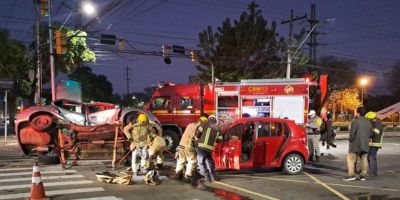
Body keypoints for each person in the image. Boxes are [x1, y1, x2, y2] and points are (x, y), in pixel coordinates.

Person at [174, 116, 207, 182]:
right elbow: (196, 138)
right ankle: (188, 175)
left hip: (181, 145)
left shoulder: (190, 124)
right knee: (192, 160)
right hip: (188, 146)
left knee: (181, 160)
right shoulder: (200, 128)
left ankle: (178, 173)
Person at [343, 107, 372, 181]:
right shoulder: (368, 122)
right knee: (364, 159)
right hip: (365, 144)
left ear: (358, 113)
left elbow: (352, 134)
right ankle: (363, 175)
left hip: (355, 144)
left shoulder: (355, 121)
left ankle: (351, 175)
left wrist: (350, 139)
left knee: (351, 159)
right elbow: (371, 134)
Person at [195, 115, 223, 182]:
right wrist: (213, 142)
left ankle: (207, 176)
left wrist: (197, 140)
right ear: (215, 120)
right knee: (210, 161)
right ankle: (213, 175)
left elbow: (198, 134)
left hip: (201, 146)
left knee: (201, 162)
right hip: (210, 148)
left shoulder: (204, 123)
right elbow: (220, 139)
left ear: (208, 119)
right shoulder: (218, 128)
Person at [365, 111, 384, 177]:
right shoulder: (374, 122)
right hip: (372, 143)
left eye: (369, 119)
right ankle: (372, 171)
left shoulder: (378, 123)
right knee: (369, 157)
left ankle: (373, 172)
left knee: (371, 157)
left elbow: (377, 132)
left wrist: (371, 129)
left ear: (373, 118)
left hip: (376, 143)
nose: (368, 121)